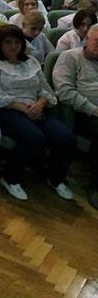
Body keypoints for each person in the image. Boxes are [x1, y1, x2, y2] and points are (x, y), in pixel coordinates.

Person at [0, 25, 75, 201]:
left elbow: (45, 90)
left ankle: (55, 179)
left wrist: (40, 103)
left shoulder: (31, 61)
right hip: (8, 111)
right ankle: (10, 178)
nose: (13, 46)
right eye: (8, 42)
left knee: (65, 137)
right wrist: (25, 109)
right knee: (34, 137)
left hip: (36, 108)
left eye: (17, 42)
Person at [52, 24, 98, 209]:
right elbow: (65, 92)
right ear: (87, 39)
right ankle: (96, 186)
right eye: (97, 41)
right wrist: (93, 110)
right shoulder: (70, 57)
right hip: (82, 113)